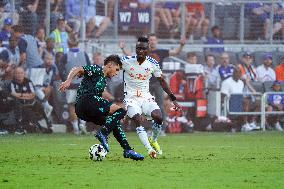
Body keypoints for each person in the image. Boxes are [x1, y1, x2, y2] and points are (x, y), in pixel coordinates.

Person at [59, 55, 144, 161]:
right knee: (121, 111)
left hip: (84, 109)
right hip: (87, 101)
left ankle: (128, 150)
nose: (117, 73)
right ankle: (103, 133)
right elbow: (78, 69)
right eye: (117, 69)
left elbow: (82, 74)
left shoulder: (103, 80)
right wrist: (68, 81)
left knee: (114, 123)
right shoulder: (97, 69)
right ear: (110, 65)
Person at [120, 36, 181, 158]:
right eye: (138, 48)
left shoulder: (153, 63)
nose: (140, 51)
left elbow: (162, 82)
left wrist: (173, 99)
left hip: (145, 97)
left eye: (143, 49)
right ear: (135, 49)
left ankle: (153, 139)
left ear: (148, 50)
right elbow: (110, 69)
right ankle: (149, 149)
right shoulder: (126, 61)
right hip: (131, 98)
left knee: (158, 116)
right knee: (138, 119)